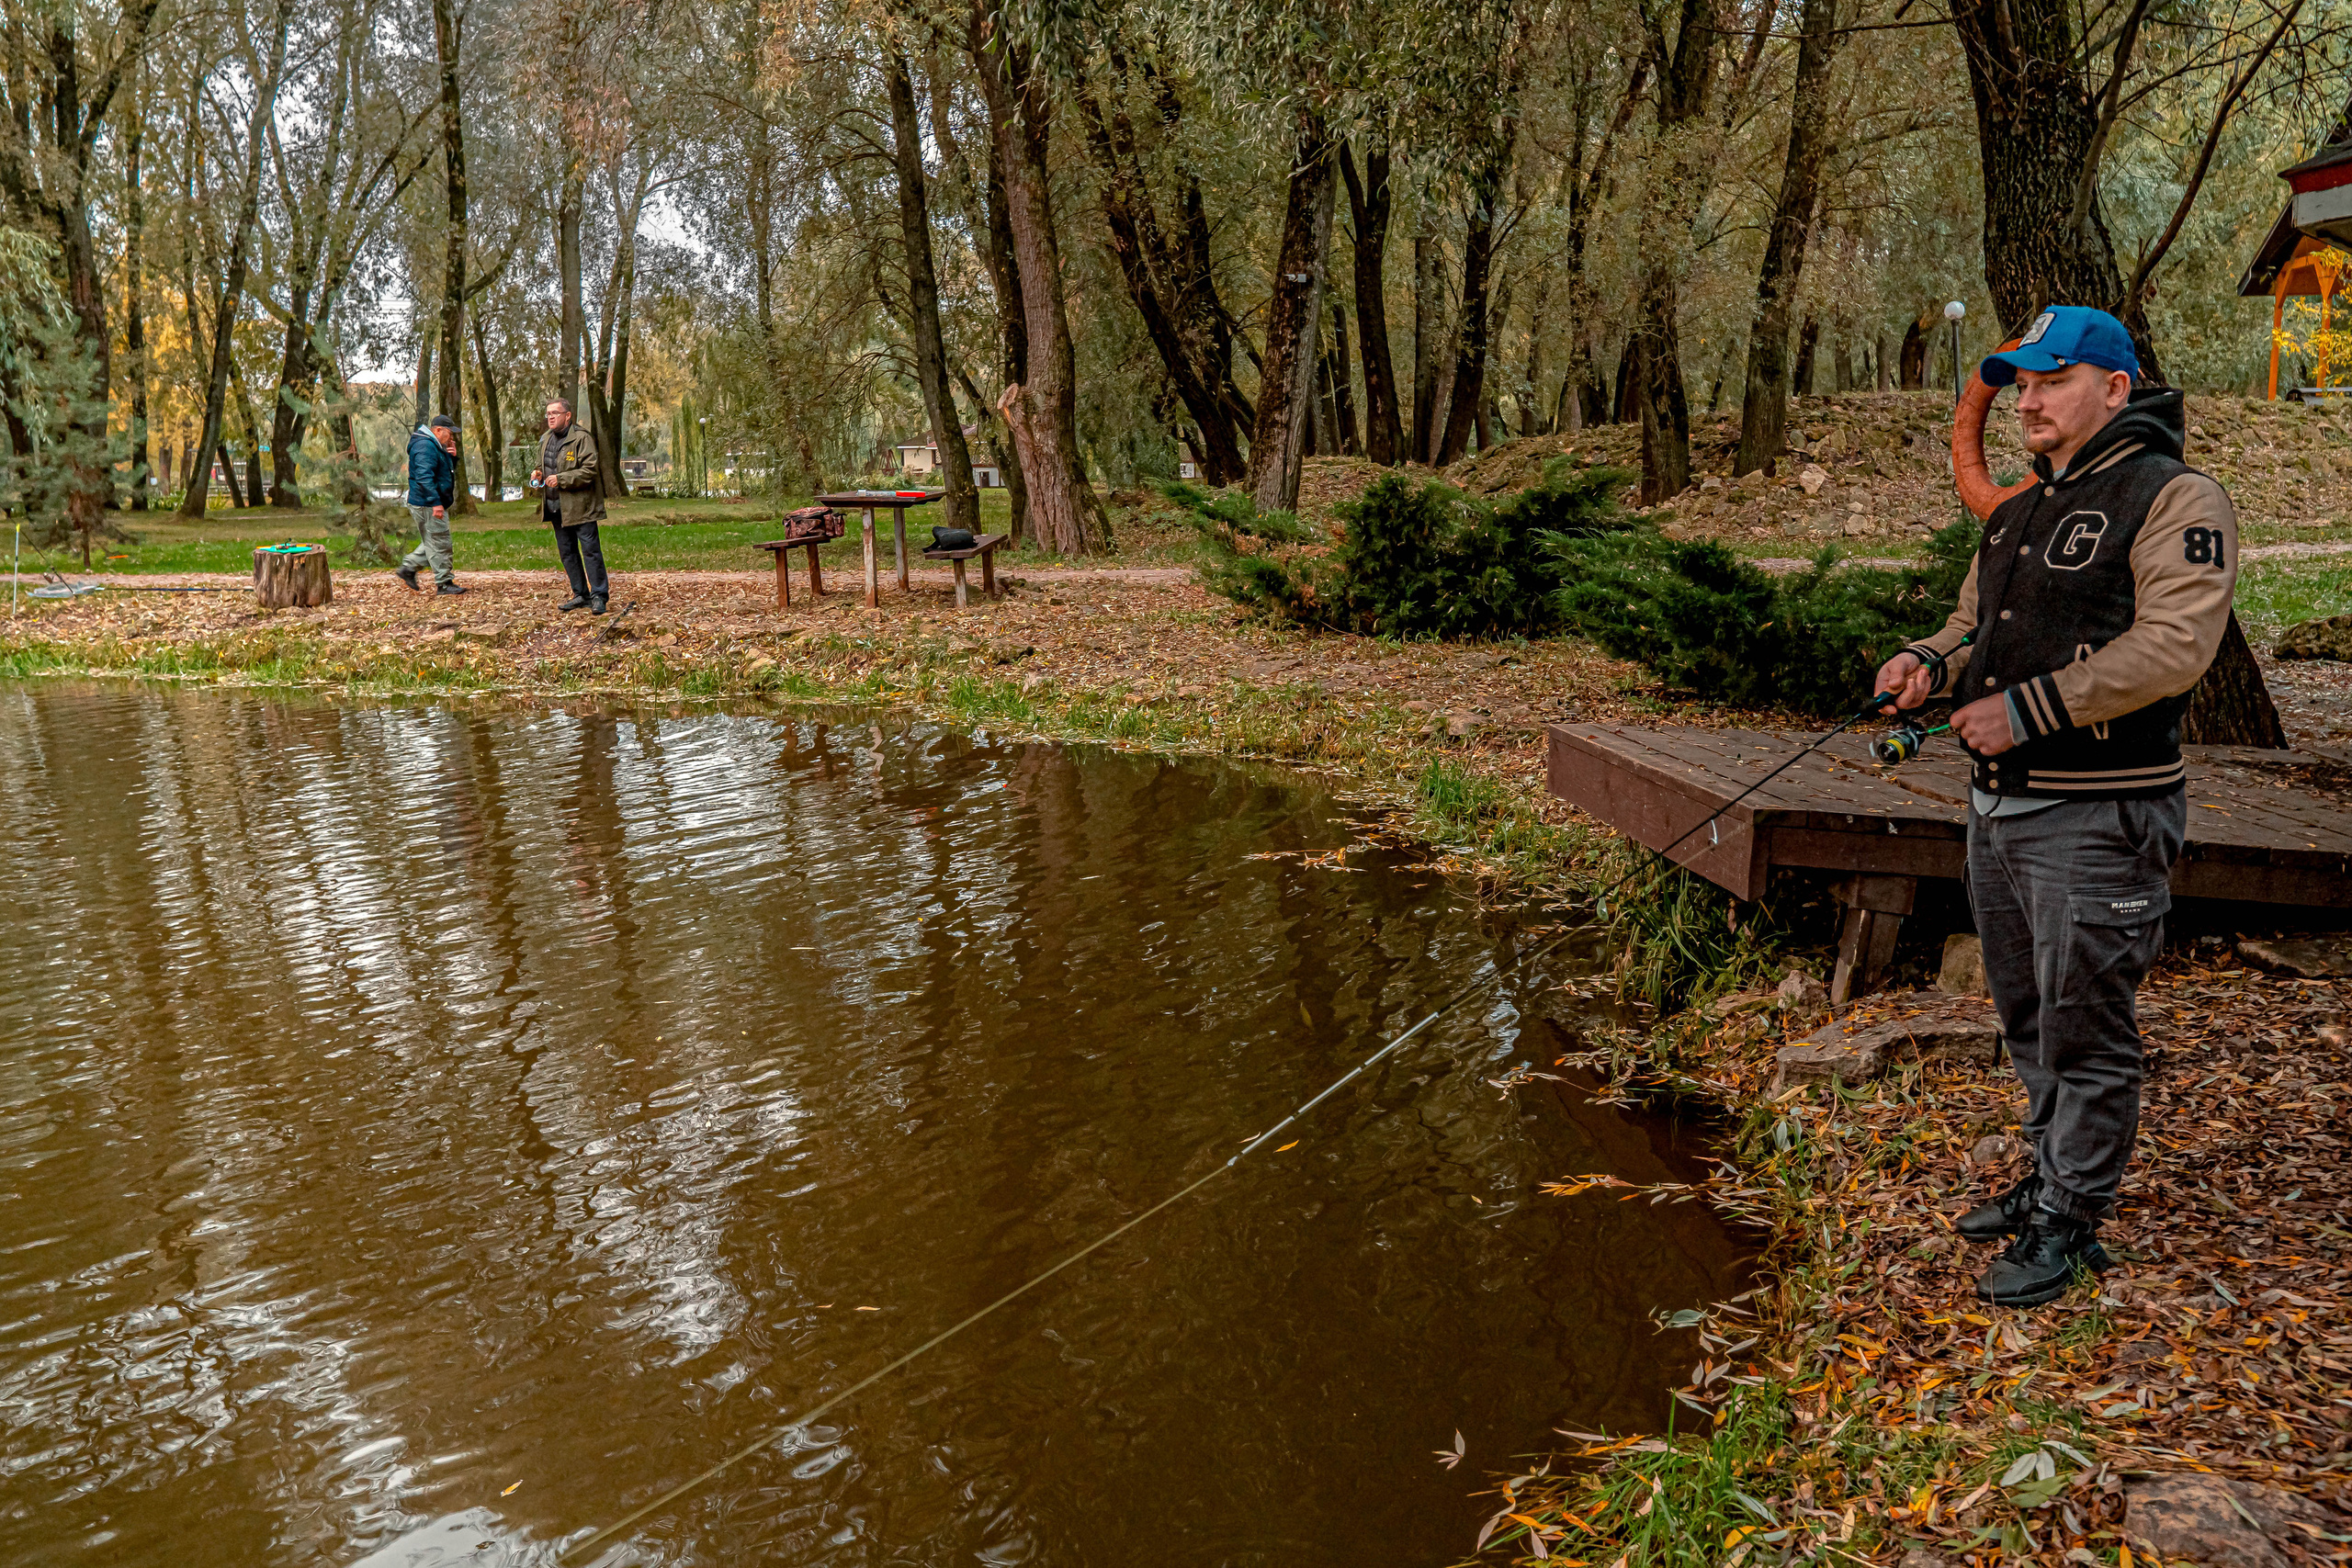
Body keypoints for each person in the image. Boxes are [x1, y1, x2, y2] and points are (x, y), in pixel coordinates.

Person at [1872, 306, 2239, 1307]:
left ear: (2114, 389)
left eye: (2049, 380)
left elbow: (2176, 646)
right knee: (2027, 1012)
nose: (2025, 401)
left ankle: (2070, 1224)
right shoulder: (2024, 504)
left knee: (2085, 1024)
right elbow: (1969, 623)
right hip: (1999, 815)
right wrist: (1925, 664)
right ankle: (2049, 1178)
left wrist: (2027, 711)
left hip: (2100, 816)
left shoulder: (2176, 498)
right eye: (2019, 383)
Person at [532, 398, 608, 614]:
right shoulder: (545, 439)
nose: (550, 417)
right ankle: (580, 594)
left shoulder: (582, 438)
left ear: (568, 416)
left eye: (555, 413)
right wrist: (538, 473)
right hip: (556, 508)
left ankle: (599, 596)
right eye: (548, 414)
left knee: (590, 552)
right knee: (567, 553)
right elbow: (543, 465)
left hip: (581, 508)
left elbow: (590, 470)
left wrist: (562, 479)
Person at [396, 415, 465, 594]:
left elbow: (440, 472)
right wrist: (436, 503)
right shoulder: (425, 446)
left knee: (433, 541)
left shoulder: (433, 445)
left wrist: (452, 458)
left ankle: (408, 568)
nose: (451, 438)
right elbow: (424, 477)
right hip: (427, 502)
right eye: (449, 433)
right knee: (440, 541)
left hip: (426, 501)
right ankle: (444, 583)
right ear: (438, 430)